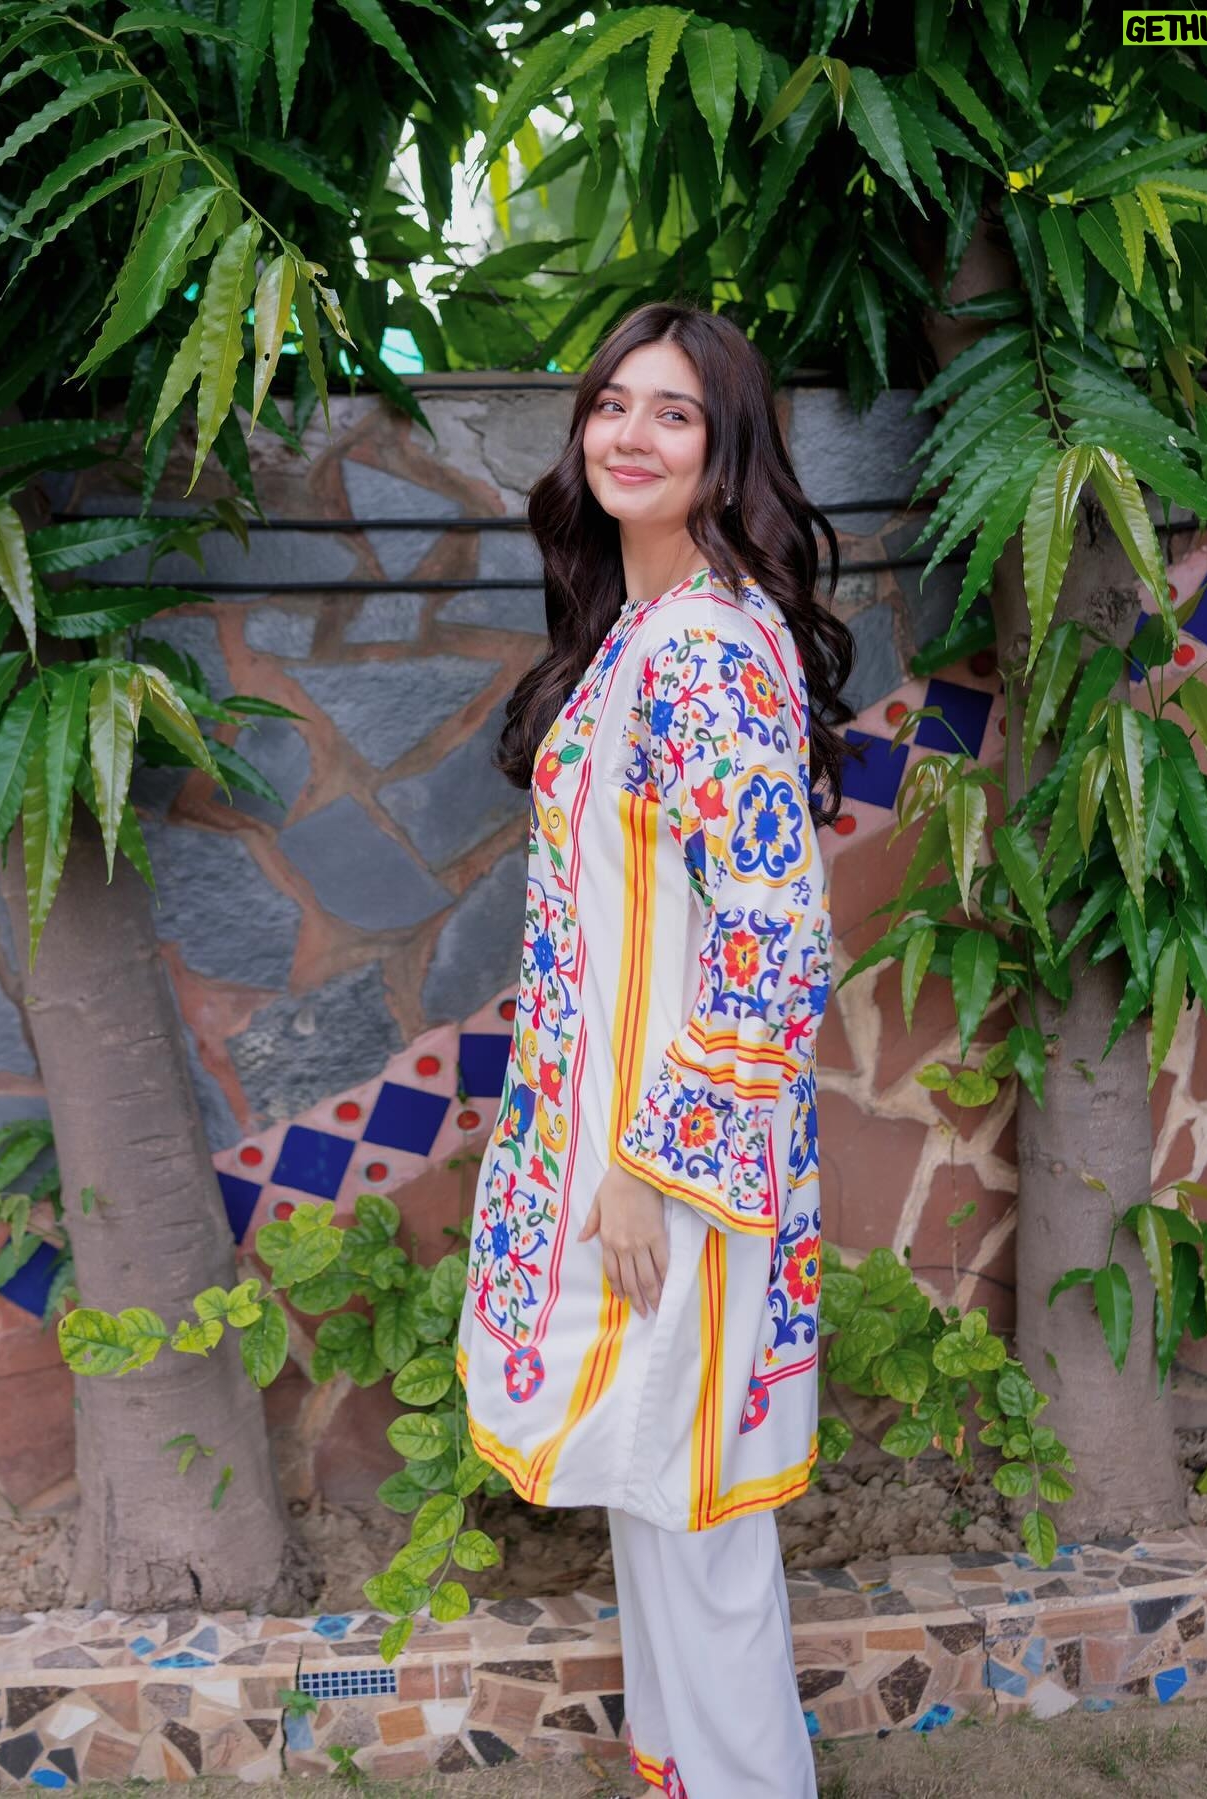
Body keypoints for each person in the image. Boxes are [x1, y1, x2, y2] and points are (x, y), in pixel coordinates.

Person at [455, 300, 855, 1799]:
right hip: (623, 1151)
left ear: (724, 450)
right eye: (611, 404)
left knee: (700, 1527)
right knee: (655, 1498)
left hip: (670, 1167)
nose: (629, 434)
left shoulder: (702, 648)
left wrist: (648, 1165)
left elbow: (773, 938)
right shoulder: (646, 629)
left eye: (672, 413)